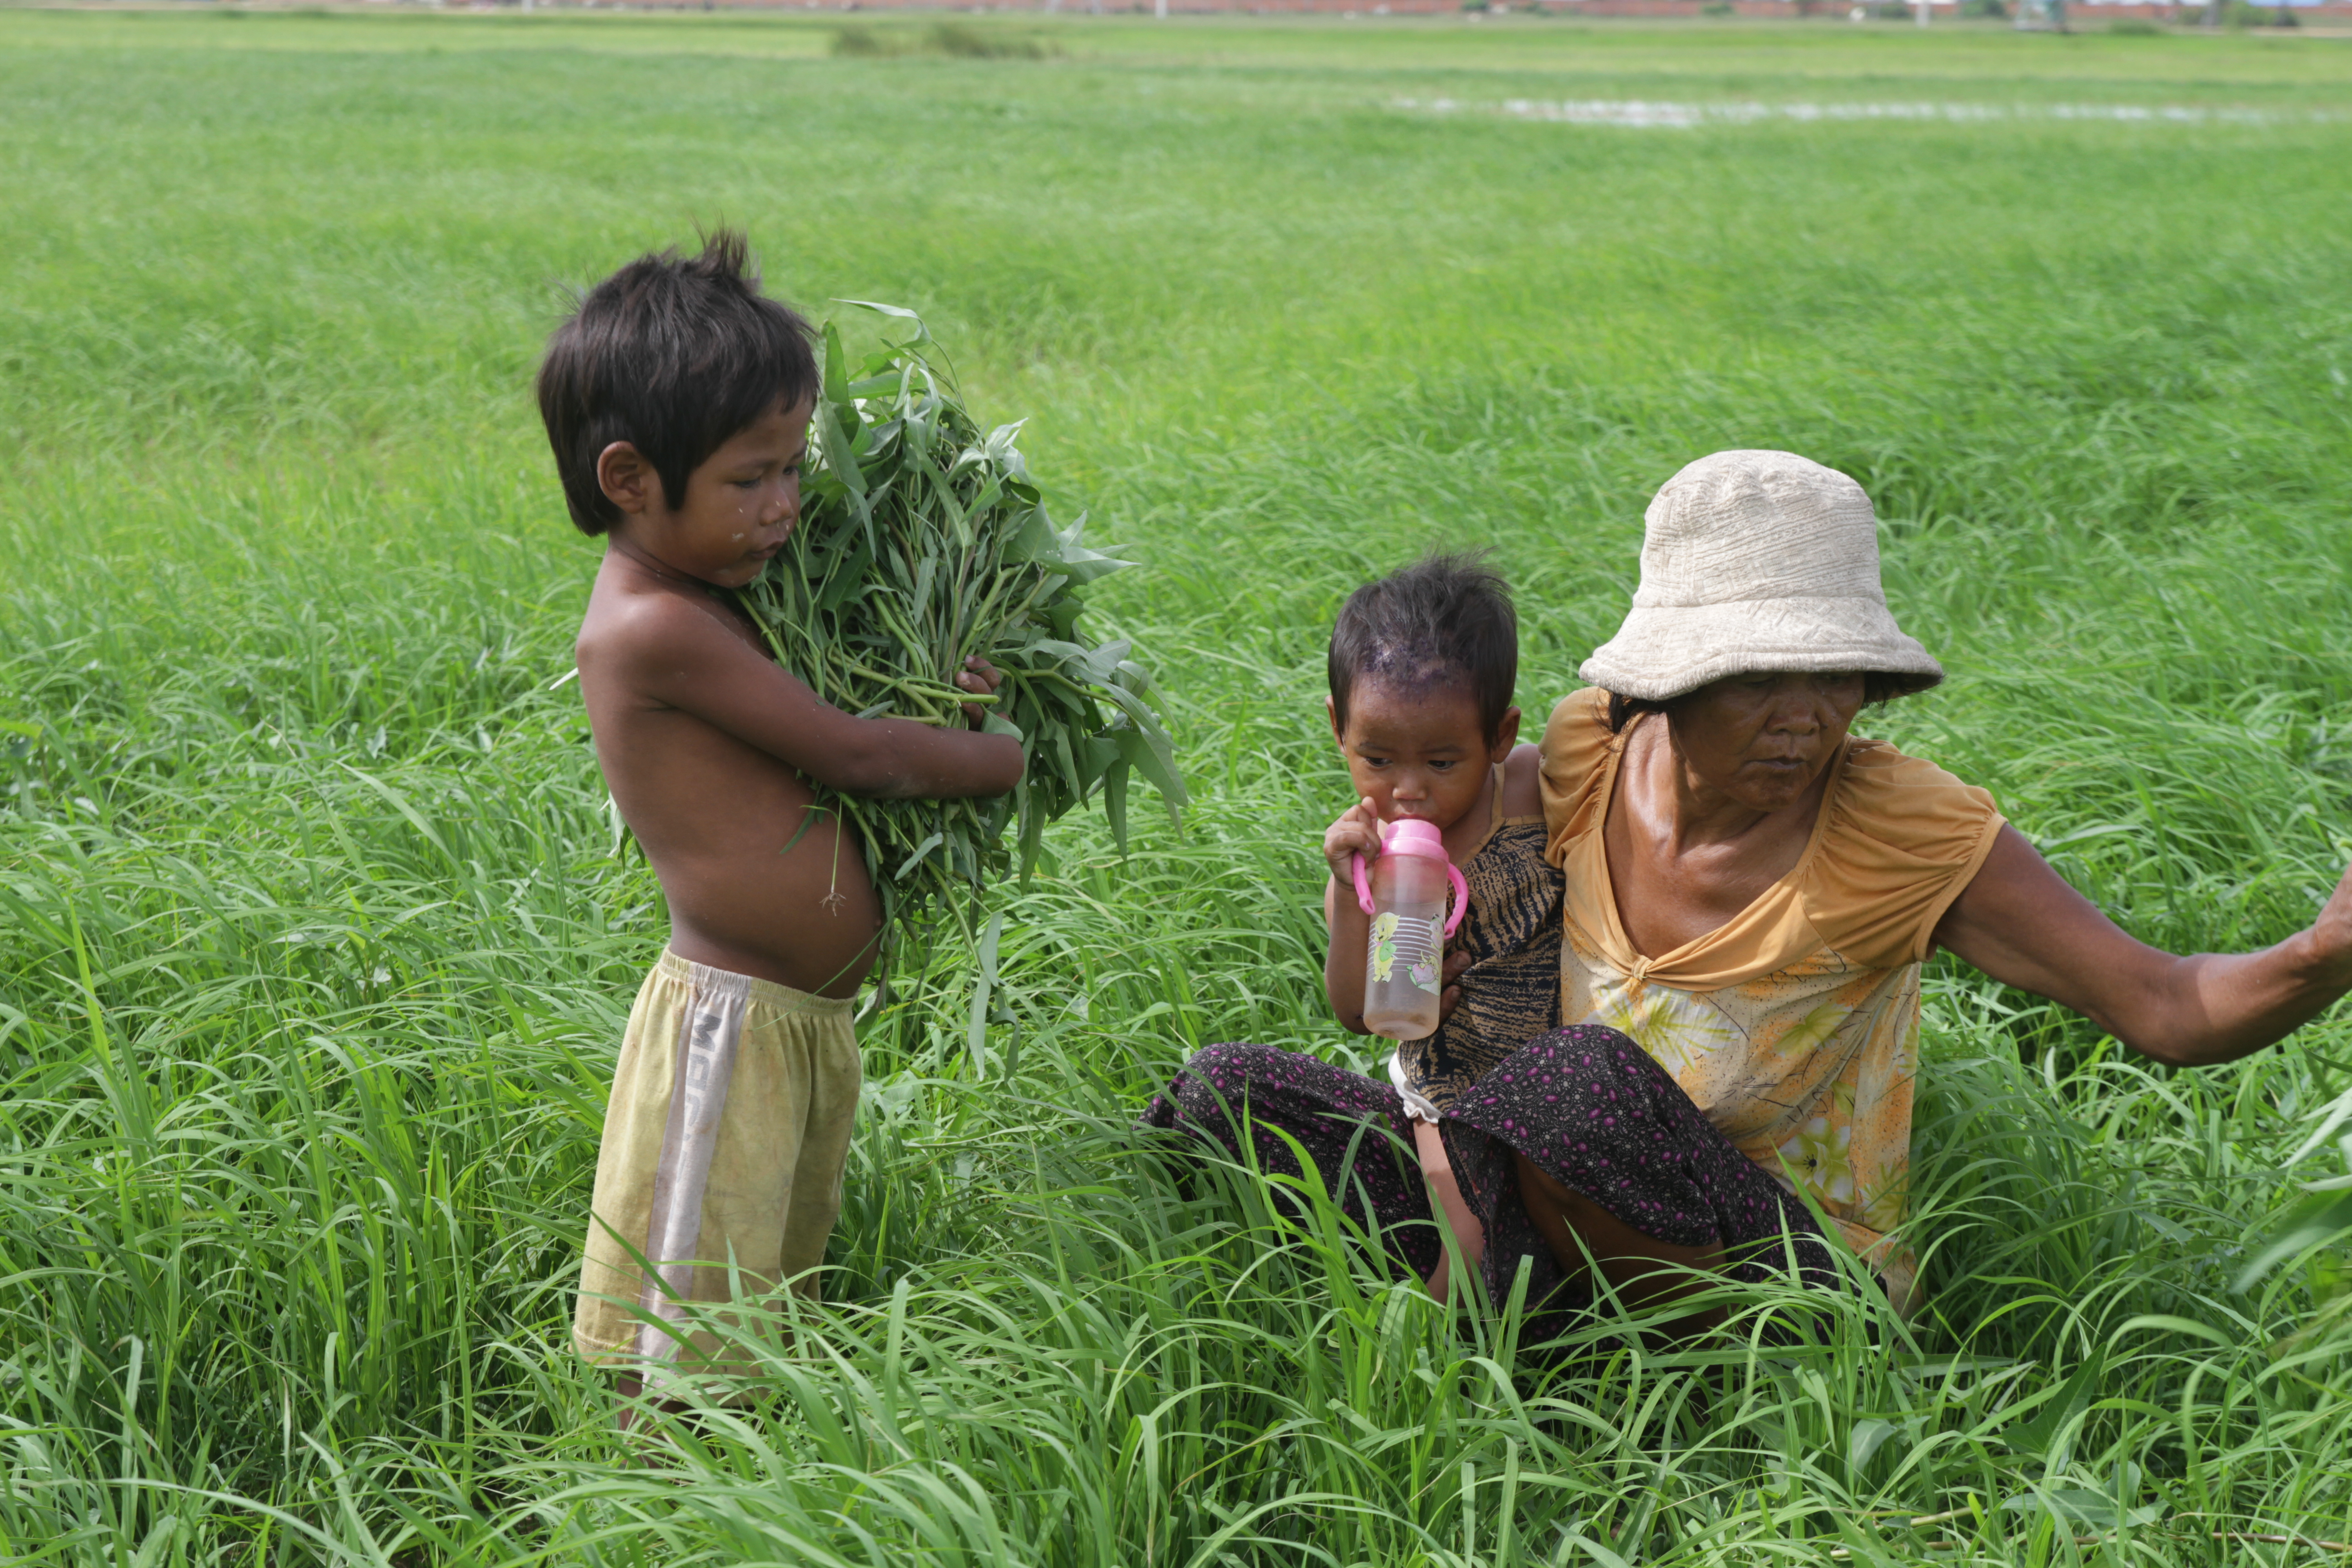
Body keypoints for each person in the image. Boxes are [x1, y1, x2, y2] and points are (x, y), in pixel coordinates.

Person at [1147, 449, 2352, 1339]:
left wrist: (2321, 952)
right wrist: (1382, 873)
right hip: (1547, 1194)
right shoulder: (1582, 755)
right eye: (1759, 677)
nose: (1809, 712)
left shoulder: (1909, 829)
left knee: (1568, 1083)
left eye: (1838, 675)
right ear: (1665, 684)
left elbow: (2168, 1005)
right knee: (1226, 1094)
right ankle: (1515, 1314)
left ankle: (1568, 1351)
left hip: (1780, 1281)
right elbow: (1426, 811)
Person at [538, 233, 1026, 1401]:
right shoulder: (651, 627)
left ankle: (739, 1495)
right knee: (678, 1354)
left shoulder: (705, 596)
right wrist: (994, 759)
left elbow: (830, 711)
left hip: (795, 1023)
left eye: (791, 470)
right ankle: (655, 1509)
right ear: (629, 480)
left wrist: (934, 696)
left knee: (754, 1325)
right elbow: (860, 754)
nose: (787, 507)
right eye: (750, 480)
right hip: (728, 1031)